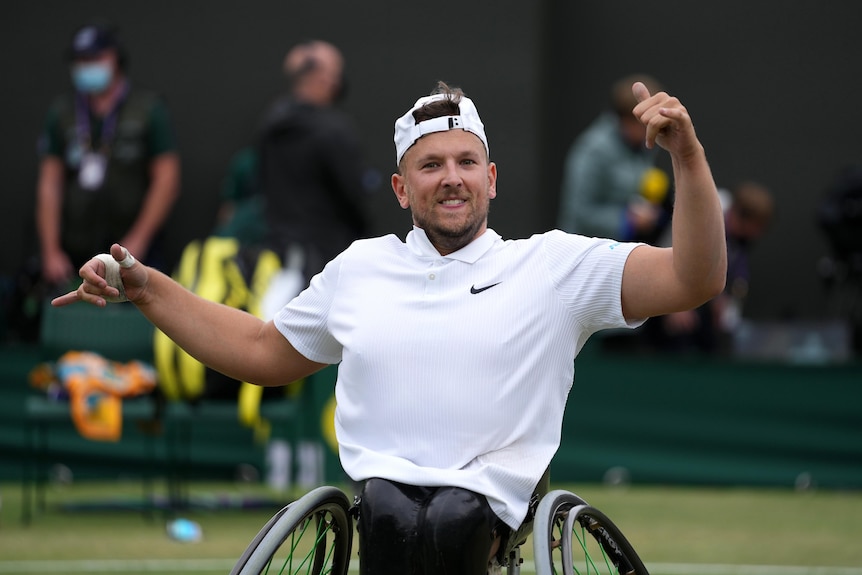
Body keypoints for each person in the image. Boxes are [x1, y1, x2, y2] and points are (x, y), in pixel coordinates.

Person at [55, 80, 726, 575]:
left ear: (491, 179)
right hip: (383, 513)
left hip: (487, 513)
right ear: (403, 189)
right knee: (392, 514)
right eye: (431, 166)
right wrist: (146, 287)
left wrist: (688, 160)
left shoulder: (550, 265)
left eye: (466, 163)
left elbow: (694, 278)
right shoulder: (360, 268)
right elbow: (260, 350)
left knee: (452, 517)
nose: (452, 179)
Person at [35, 21, 180, 291]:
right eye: (81, 60)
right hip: (75, 247)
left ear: (115, 58)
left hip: (135, 248)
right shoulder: (63, 112)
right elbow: (49, 184)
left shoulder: (148, 110)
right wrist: (51, 250)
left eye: (95, 58)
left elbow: (167, 181)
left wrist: (138, 240)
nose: (87, 66)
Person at [256, 40, 371, 303]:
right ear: (324, 78)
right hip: (324, 258)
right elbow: (355, 196)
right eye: (335, 74)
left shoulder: (269, 125)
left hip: (277, 254)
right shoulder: (335, 131)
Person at [648, 181, 774, 354]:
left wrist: (719, 299)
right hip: (663, 294)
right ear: (740, 216)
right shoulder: (701, 213)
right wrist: (675, 307)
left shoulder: (740, 240)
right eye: (757, 227)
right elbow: (667, 256)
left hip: (696, 300)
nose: (757, 234)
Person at [558, 73, 669, 244]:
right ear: (627, 120)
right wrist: (628, 220)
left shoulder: (642, 147)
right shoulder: (593, 150)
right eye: (644, 123)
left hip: (621, 250)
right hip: (584, 255)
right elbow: (580, 212)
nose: (651, 128)